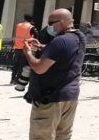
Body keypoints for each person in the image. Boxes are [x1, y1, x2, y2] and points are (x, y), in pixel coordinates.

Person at [22, 9, 86, 140]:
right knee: (63, 136)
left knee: (42, 136)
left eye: (51, 22)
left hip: (50, 97)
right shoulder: (79, 37)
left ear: (61, 22)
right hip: (70, 96)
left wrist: (28, 54)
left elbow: (40, 68)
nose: (49, 26)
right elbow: (65, 53)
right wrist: (43, 48)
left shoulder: (59, 41)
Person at [12, 13, 39, 86]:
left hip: (17, 47)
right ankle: (17, 80)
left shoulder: (19, 25)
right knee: (22, 65)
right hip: (25, 48)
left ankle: (12, 79)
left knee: (16, 65)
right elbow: (36, 35)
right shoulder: (31, 27)